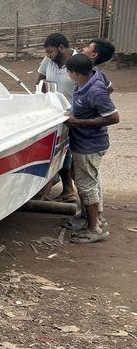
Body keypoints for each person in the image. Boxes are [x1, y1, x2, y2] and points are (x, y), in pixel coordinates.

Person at [64, 54, 119, 244]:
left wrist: (79, 122)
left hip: (90, 145)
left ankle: (94, 227)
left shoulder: (95, 91)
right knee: (86, 182)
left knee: (87, 185)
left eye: (69, 72)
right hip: (82, 143)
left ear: (75, 73)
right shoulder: (86, 81)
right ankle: (87, 218)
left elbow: (113, 117)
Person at [36, 33, 77, 202]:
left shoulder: (78, 62)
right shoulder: (48, 62)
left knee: (69, 153)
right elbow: (40, 80)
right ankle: (65, 188)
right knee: (58, 151)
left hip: (73, 115)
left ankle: (69, 189)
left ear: (61, 48)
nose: (48, 56)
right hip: (54, 115)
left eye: (50, 52)